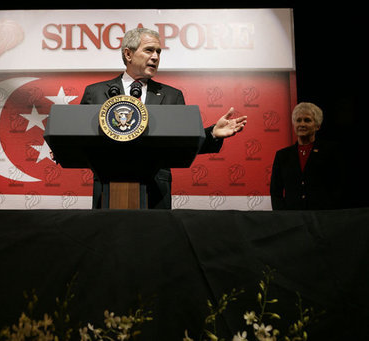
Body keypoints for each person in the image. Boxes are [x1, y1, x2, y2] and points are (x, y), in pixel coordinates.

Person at [80, 28, 247, 209]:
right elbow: (78, 136)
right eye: (149, 50)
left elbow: (185, 142)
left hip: (156, 190)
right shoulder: (95, 92)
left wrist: (212, 134)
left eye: (158, 52)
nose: (155, 57)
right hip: (108, 186)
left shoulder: (171, 96)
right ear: (128, 54)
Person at [270, 102, 343, 210]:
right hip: (292, 219)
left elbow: (338, 185)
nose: (302, 124)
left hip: (323, 218)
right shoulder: (282, 155)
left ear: (317, 125)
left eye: (307, 120)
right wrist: (282, 216)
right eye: (298, 120)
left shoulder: (331, 151)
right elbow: (276, 191)